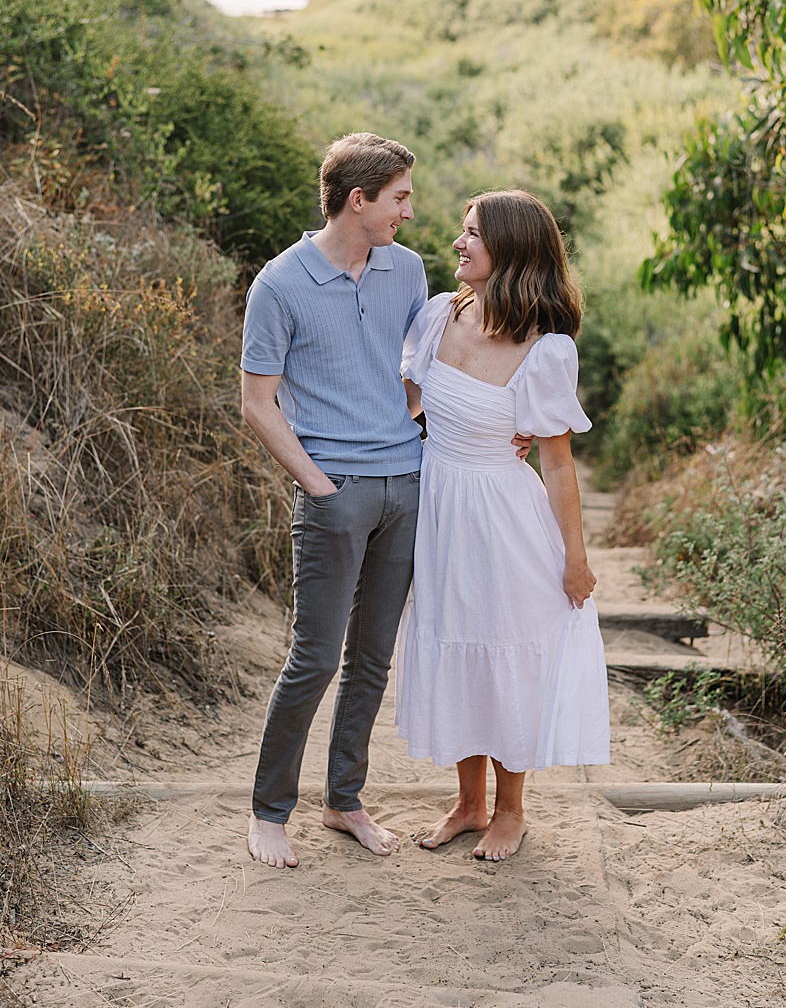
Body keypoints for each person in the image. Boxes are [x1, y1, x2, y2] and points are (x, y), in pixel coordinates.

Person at [395, 189, 609, 861]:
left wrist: (575, 559)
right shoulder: (437, 316)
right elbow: (404, 409)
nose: (458, 244)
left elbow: (558, 464)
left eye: (472, 235)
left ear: (509, 250)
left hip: (503, 516)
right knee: (455, 643)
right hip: (439, 506)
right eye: (462, 232)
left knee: (506, 654)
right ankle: (468, 802)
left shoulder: (545, 350)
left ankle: (511, 811)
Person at [240, 133, 428, 869]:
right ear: (361, 200)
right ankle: (268, 811)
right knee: (315, 658)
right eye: (401, 198)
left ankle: (342, 799)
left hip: (405, 486)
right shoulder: (279, 285)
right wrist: (319, 482)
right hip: (335, 493)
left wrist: (397, 433)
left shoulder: (407, 271)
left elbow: (416, 371)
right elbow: (258, 404)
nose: (410, 213)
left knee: (374, 658)